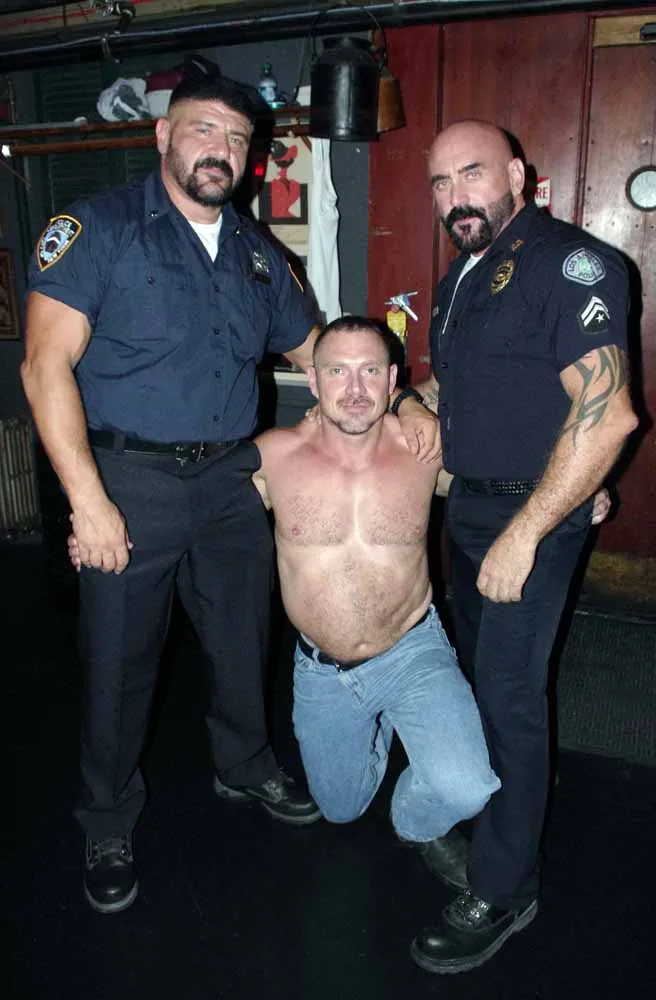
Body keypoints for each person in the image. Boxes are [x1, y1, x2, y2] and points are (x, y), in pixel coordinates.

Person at [21, 73, 438, 917]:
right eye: (204, 129)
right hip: (130, 479)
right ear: (163, 136)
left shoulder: (255, 252)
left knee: (243, 636)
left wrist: (399, 400)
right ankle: (108, 816)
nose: (221, 149)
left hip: (230, 477)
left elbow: (318, 351)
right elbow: (42, 365)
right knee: (120, 662)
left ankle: (244, 764)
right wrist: (89, 502)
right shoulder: (97, 229)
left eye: (239, 139)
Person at [69, 315, 500, 896]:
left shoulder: (422, 448)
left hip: (412, 650)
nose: (355, 389)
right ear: (313, 381)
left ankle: (417, 822)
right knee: (341, 808)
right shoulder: (273, 457)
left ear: (393, 380)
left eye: (370, 372)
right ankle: (384, 728)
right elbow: (187, 514)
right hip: (325, 672)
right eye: (337, 372)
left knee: (467, 788)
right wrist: (98, 524)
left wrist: (569, 499)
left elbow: (493, 483)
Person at [397, 120, 638, 974]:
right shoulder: (462, 276)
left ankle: (504, 888)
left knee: (507, 698)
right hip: (469, 509)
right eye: (440, 183)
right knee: (486, 682)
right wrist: (403, 400)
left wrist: (528, 533)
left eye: (471, 174)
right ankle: (508, 802)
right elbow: (466, 386)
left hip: (525, 520)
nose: (454, 196)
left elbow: (608, 413)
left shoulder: (569, 264)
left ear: (518, 175)